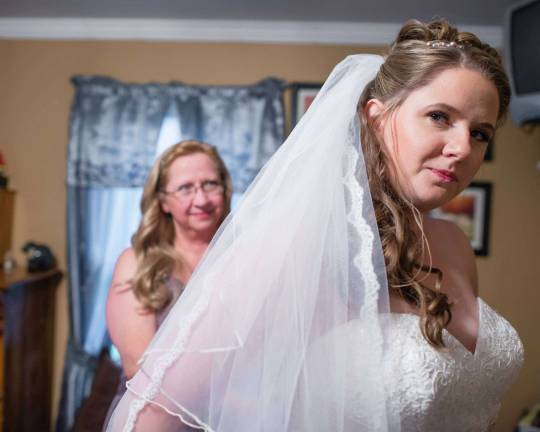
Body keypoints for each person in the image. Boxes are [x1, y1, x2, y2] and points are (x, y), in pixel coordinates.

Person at [106, 19, 524, 432]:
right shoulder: (297, 246)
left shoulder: (453, 244)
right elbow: (152, 412)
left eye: (480, 133)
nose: (462, 148)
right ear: (377, 118)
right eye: (438, 116)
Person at [104, 140, 232, 426]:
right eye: (186, 188)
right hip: (157, 418)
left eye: (211, 184)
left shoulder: (242, 256)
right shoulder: (137, 263)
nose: (201, 200)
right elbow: (137, 369)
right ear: (162, 201)